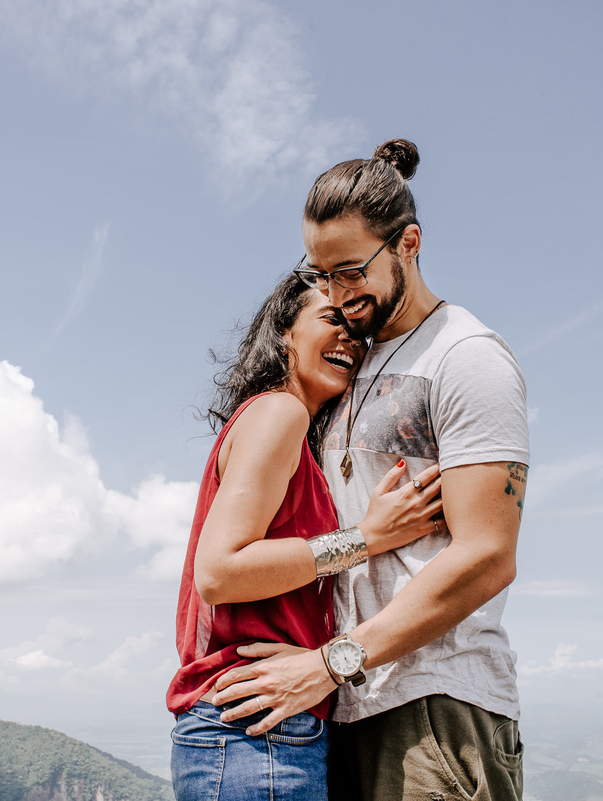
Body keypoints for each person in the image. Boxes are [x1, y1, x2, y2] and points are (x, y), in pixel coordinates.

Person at [212, 138, 530, 801]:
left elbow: (487, 555)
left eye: (351, 271)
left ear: (409, 244)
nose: (336, 292)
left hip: (437, 705)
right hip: (343, 707)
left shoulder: (466, 356)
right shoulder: (346, 370)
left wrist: (332, 661)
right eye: (321, 273)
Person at [168, 273, 444, 801]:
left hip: (259, 726)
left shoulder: (284, 431)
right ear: (284, 334)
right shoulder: (280, 411)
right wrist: (366, 537)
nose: (350, 338)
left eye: (357, 330)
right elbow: (219, 572)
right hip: (252, 730)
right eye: (331, 318)